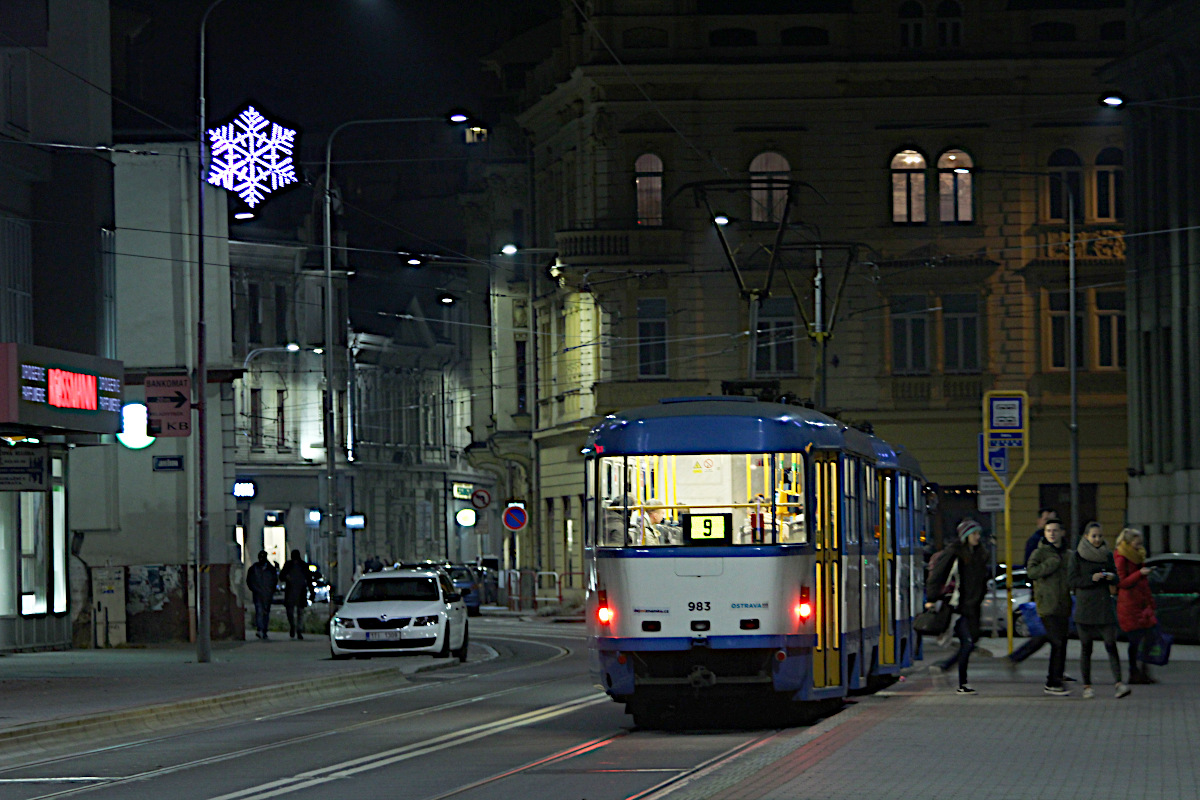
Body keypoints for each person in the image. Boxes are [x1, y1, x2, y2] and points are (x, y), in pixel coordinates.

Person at [927, 518, 990, 694]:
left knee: (970, 642)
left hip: (972, 606)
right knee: (967, 642)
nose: (978, 537)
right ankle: (961, 682)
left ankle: (943, 668)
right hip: (957, 605)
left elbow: (982, 579)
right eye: (974, 533)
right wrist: (931, 598)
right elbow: (938, 575)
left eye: (978, 533)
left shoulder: (980, 554)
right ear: (966, 536)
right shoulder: (954, 553)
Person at [1068, 522, 1130, 699]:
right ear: (1086, 536)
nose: (1097, 539)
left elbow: (1116, 577)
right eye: (1094, 536)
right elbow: (1072, 581)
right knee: (1086, 647)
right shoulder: (1077, 556)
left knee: (1111, 644)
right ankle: (1087, 686)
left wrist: (1111, 578)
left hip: (1104, 607)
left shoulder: (1107, 555)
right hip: (1085, 607)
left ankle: (1119, 683)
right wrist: (1091, 578)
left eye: (1100, 536)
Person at [1006, 507, 1058, 666]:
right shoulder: (1035, 542)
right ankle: (1017, 657)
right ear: (1039, 521)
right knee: (1051, 635)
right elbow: (1031, 569)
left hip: (1055, 594)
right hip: (1042, 594)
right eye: (1046, 519)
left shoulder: (1057, 542)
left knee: (1053, 635)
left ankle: (1018, 657)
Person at [1026, 518, 1072, 695]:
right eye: (1048, 531)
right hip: (1047, 605)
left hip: (1063, 604)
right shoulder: (1040, 553)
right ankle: (1052, 682)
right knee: (1057, 642)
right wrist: (1050, 565)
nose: (1052, 534)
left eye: (1055, 530)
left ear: (1062, 532)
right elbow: (1031, 572)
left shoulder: (1068, 554)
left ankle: (1058, 677)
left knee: (1062, 643)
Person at [1114, 527, 1159, 684]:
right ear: (1128, 541)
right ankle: (1134, 672)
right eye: (1136, 541)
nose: (1140, 544)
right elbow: (1121, 582)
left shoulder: (1139, 555)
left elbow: (1143, 584)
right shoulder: (1121, 557)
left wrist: (1150, 602)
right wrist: (1140, 574)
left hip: (1142, 603)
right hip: (1129, 604)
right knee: (1135, 640)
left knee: (1150, 636)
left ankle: (1144, 670)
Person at [279, 549, 314, 640]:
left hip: (296, 591)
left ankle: (296, 628)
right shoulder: (301, 565)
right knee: (297, 612)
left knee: (295, 612)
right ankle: (296, 628)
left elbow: (309, 579)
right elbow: (309, 579)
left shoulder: (297, 565)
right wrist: (311, 592)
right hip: (296, 591)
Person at [245, 550, 277, 640]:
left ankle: (264, 630)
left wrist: (271, 590)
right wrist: (254, 589)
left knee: (265, 612)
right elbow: (249, 581)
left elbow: (274, 581)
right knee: (260, 611)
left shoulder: (270, 569)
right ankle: (260, 629)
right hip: (259, 593)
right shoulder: (254, 568)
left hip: (266, 594)